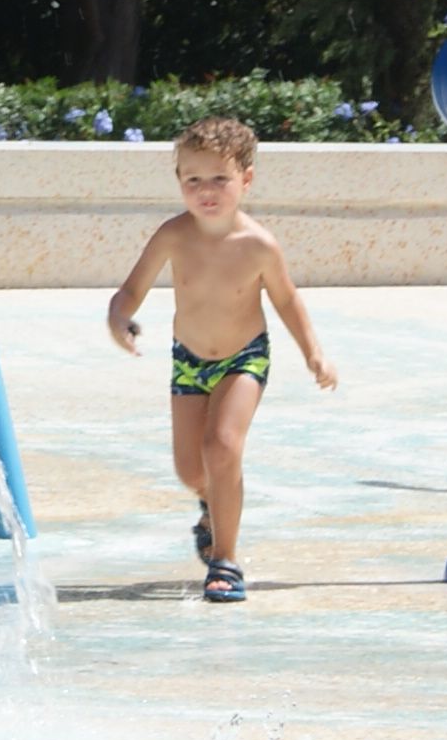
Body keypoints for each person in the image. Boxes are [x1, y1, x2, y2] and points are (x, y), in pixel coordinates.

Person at [101, 116, 335, 604]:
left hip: (243, 358)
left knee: (222, 445)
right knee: (191, 470)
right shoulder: (172, 235)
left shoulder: (259, 245)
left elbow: (287, 301)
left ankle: (225, 561)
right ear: (179, 182)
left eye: (220, 179)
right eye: (193, 180)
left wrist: (313, 353)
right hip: (188, 360)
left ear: (245, 180)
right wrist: (119, 318)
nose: (206, 191)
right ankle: (211, 505)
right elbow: (131, 289)